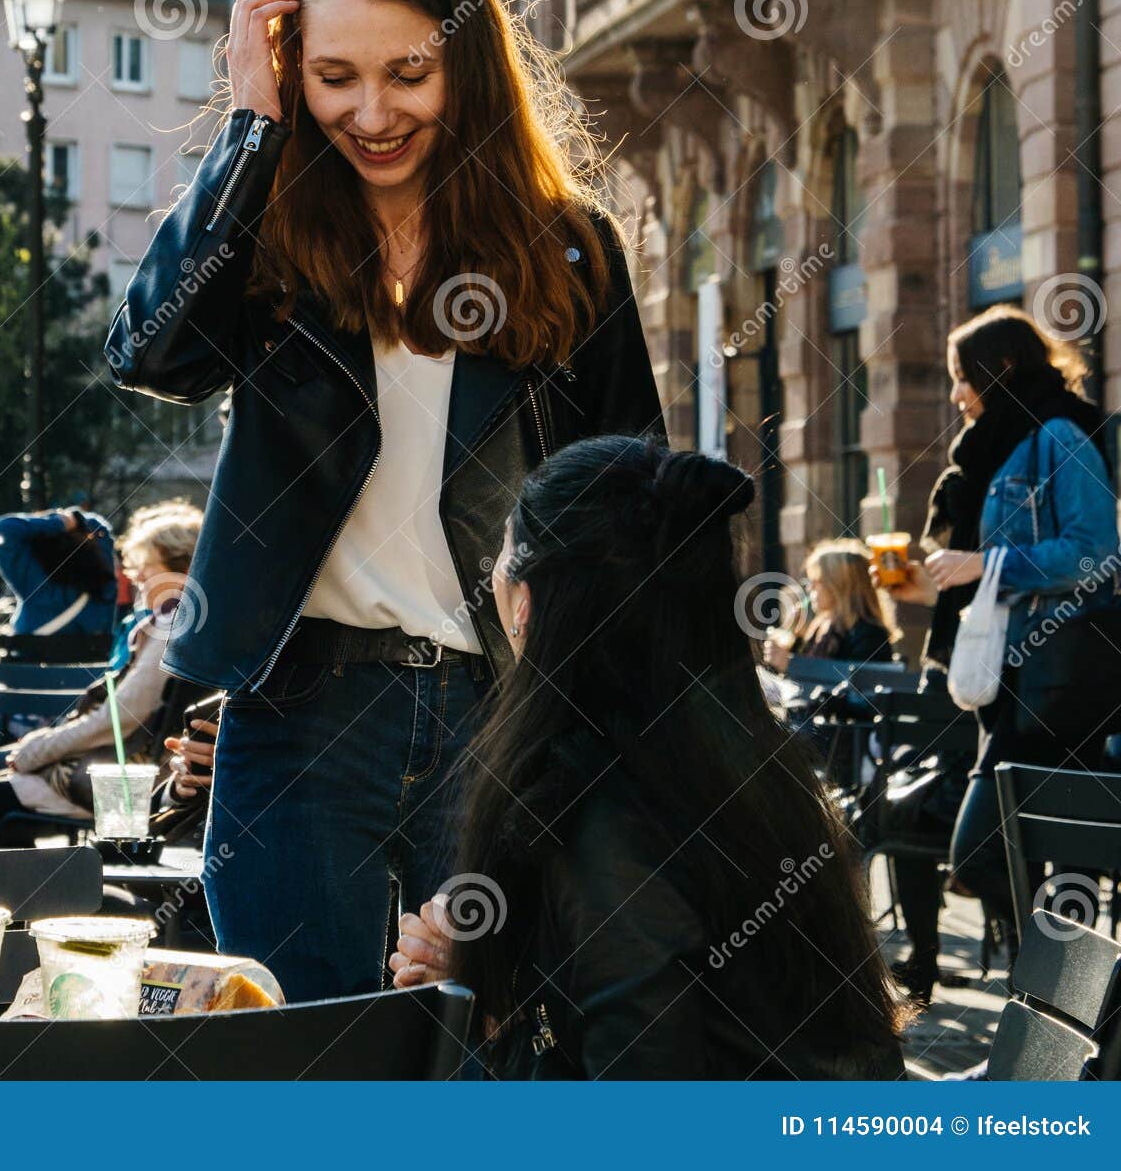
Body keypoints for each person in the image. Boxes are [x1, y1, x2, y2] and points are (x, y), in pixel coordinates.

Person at [105, 0, 665, 1003]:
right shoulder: (272, 225)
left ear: (468, 66)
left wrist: (600, 721)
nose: (371, 112)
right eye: (332, 77)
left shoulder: (566, 245)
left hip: (497, 717)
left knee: (494, 1047)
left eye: (407, 74)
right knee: (298, 1054)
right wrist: (251, 128)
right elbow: (153, 353)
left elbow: (628, 495)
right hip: (301, 713)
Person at [388, 436, 909, 1079]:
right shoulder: (734, 764)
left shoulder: (601, 819)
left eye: (501, 550)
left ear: (527, 605)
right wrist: (498, 993)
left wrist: (495, 1027)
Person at [883, 304, 1121, 990]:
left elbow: (1095, 553)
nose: (957, 392)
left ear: (1003, 367)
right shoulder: (1000, 445)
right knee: (1025, 861)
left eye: (964, 376)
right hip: (1015, 688)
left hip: (1065, 688)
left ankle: (1063, 1007)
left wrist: (987, 565)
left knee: (985, 852)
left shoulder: (1061, 436)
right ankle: (1052, 1017)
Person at [0, 503, 205, 846]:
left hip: (123, 783)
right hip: (142, 771)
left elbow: (119, 718)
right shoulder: (192, 622)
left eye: (145, 567)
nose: (136, 576)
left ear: (183, 567)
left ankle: (0, 892)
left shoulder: (167, 628)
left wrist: (40, 748)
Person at [0, 506, 118, 660]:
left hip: (32, 663)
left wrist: (57, 522)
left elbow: (0, 528)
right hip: (93, 665)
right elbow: (100, 529)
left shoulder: (31, 576)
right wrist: (75, 520)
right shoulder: (103, 573)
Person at [763, 538, 900, 671]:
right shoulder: (821, 625)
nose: (810, 588)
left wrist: (792, 665)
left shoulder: (869, 635)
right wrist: (794, 640)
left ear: (840, 586)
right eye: (809, 582)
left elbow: (852, 684)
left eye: (816, 582)